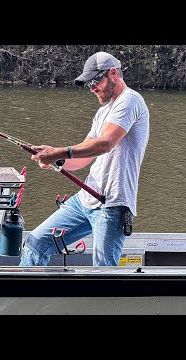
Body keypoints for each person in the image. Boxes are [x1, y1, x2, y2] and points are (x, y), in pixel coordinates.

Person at [19, 51, 150, 266]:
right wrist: (55, 158)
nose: (91, 88)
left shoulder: (130, 101)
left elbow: (105, 144)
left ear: (113, 73)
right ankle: (25, 297)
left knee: (103, 270)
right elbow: (85, 155)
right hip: (86, 198)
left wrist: (59, 152)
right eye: (88, 84)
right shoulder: (102, 112)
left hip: (112, 204)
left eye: (96, 81)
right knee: (35, 243)